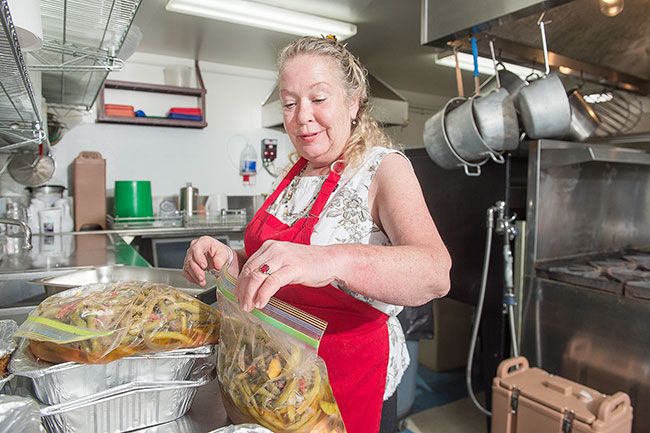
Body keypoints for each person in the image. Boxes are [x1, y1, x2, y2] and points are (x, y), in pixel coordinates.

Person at [183, 35, 451, 433]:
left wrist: (329, 260)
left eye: (319, 99)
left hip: (345, 377)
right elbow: (276, 264)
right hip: (274, 375)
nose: (302, 117)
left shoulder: (383, 169)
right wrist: (230, 258)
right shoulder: (292, 175)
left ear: (353, 102)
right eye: (290, 104)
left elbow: (435, 273)